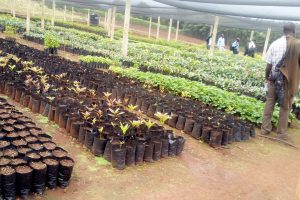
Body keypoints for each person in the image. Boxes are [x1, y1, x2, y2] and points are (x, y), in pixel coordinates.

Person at [261, 22, 300, 140]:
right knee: (285, 106)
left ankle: (265, 129)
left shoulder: (275, 43)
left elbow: (268, 65)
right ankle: (281, 133)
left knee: (270, 103)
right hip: (287, 81)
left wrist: (267, 77)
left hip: (273, 78)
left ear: (283, 31)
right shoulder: (297, 44)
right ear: (294, 31)